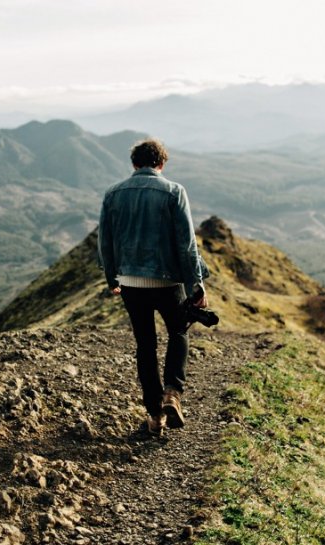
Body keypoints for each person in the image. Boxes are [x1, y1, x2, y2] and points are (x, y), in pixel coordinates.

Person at [98, 138, 209, 436]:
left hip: (131, 283)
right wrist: (196, 286)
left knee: (145, 345)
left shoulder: (113, 193)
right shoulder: (174, 191)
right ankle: (172, 392)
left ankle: (154, 416)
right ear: (162, 164)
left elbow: (105, 243)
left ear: (134, 164)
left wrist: (113, 279)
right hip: (168, 281)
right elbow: (187, 245)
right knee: (179, 331)